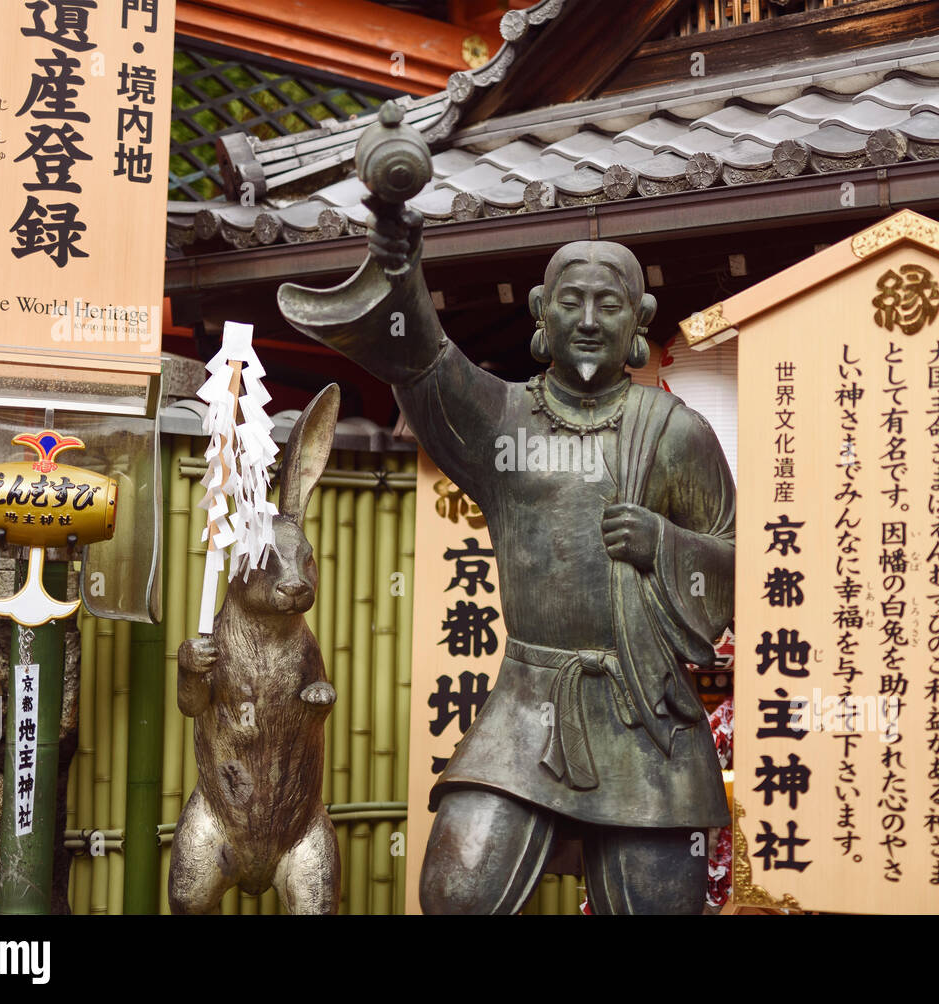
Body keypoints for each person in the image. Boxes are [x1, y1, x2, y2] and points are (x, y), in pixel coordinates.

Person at [279, 200, 735, 914]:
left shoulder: (679, 435)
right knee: (458, 889)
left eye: (609, 304)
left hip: (647, 712)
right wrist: (402, 269)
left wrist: (667, 546)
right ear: (540, 315)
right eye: (571, 302)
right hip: (528, 703)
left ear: (639, 322)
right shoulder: (503, 418)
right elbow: (427, 366)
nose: (588, 319)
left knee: (658, 903)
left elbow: (733, 560)